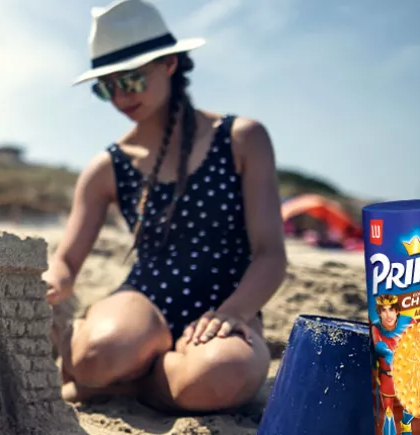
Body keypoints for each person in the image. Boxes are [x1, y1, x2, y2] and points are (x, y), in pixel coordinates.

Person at [43, 0, 288, 413]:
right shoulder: (107, 166)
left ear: (170, 63)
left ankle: (135, 383)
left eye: (132, 80)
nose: (121, 96)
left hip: (228, 303)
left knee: (218, 374)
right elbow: (66, 259)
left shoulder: (243, 138)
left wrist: (233, 314)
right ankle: (119, 364)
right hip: (144, 302)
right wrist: (54, 281)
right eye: (107, 86)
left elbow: (270, 254)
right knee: (97, 353)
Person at [371, 295, 415, 435]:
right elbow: (378, 344)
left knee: (412, 408)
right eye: (384, 310)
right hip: (387, 376)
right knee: (388, 415)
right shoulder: (376, 327)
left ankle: (406, 425)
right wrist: (387, 353)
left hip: (406, 375)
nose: (388, 314)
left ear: (397, 311)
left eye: (391, 309)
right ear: (379, 312)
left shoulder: (409, 322)